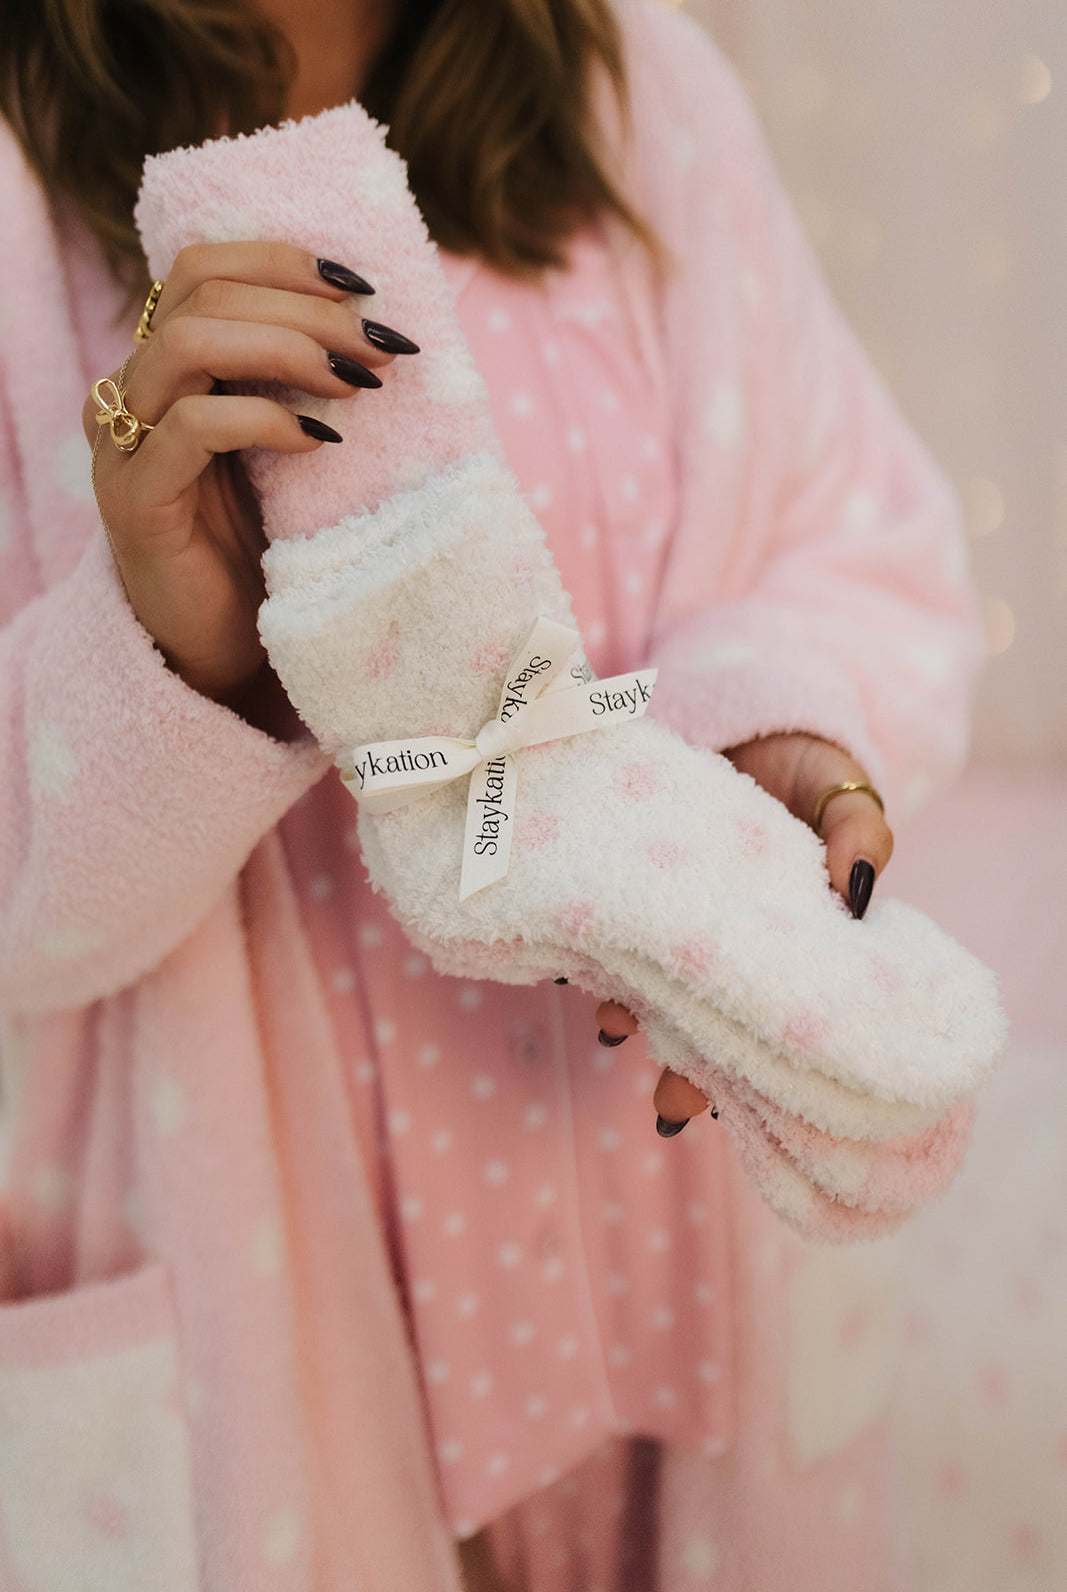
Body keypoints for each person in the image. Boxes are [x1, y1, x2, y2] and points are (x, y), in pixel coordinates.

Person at [0, 0, 982, 1587]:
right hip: (276, 1336)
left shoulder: (636, 81)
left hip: (681, 1283)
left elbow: (863, 539)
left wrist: (757, 733)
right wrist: (168, 647)